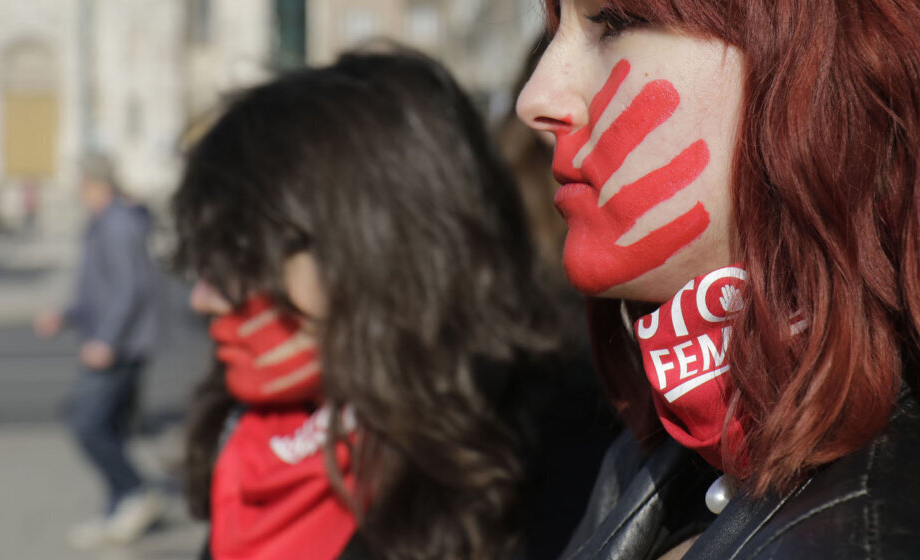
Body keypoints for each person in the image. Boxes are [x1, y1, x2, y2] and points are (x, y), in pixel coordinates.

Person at [516, 0, 920, 558]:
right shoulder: (661, 450)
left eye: (616, 23)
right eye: (554, 30)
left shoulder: (887, 532)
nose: (536, 99)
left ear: (834, 72)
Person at [173, 48, 617, 560]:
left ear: (381, 251)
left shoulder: (568, 464)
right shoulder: (255, 437)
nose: (205, 297)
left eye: (248, 257)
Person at [34, 152, 163, 548]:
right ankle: (119, 507)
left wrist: (106, 339)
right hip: (115, 340)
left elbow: (129, 289)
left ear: (93, 183)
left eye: (80, 181)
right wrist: (67, 315)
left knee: (87, 423)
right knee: (111, 427)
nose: (76, 189)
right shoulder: (103, 222)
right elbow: (99, 288)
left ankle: (136, 492)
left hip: (120, 346)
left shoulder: (118, 224)